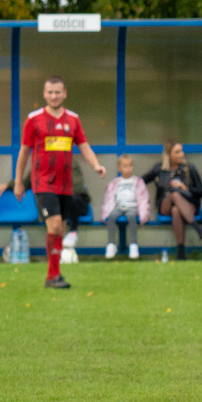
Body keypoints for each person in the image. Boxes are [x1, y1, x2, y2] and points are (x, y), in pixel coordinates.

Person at [12, 75, 106, 288]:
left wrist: (96, 165)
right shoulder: (34, 119)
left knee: (60, 229)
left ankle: (54, 274)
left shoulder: (73, 119)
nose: (54, 96)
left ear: (65, 93)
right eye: (50, 92)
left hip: (66, 184)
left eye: (57, 92)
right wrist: (18, 181)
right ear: (44, 94)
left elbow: (83, 145)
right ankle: (52, 276)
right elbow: (24, 151)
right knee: (54, 226)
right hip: (43, 182)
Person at [1, 160, 90, 249]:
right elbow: (26, 183)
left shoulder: (69, 161)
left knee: (69, 199)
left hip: (75, 203)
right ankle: (56, 252)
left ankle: (72, 232)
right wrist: (7, 185)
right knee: (49, 205)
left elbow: (76, 188)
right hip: (53, 207)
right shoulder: (40, 164)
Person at [142, 139, 202, 260]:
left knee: (176, 210)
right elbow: (140, 182)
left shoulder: (189, 168)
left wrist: (185, 187)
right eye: (177, 152)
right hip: (165, 205)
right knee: (175, 195)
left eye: (181, 151)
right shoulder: (159, 169)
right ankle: (198, 229)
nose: (181, 154)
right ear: (168, 154)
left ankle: (181, 253)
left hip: (188, 204)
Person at [101, 155, 150, 260]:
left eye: (130, 165)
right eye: (125, 166)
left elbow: (143, 197)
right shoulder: (115, 182)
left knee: (131, 217)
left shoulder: (137, 181)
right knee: (112, 217)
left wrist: (144, 212)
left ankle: (133, 245)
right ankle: (111, 244)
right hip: (118, 207)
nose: (128, 168)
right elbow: (110, 197)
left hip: (132, 207)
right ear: (119, 168)